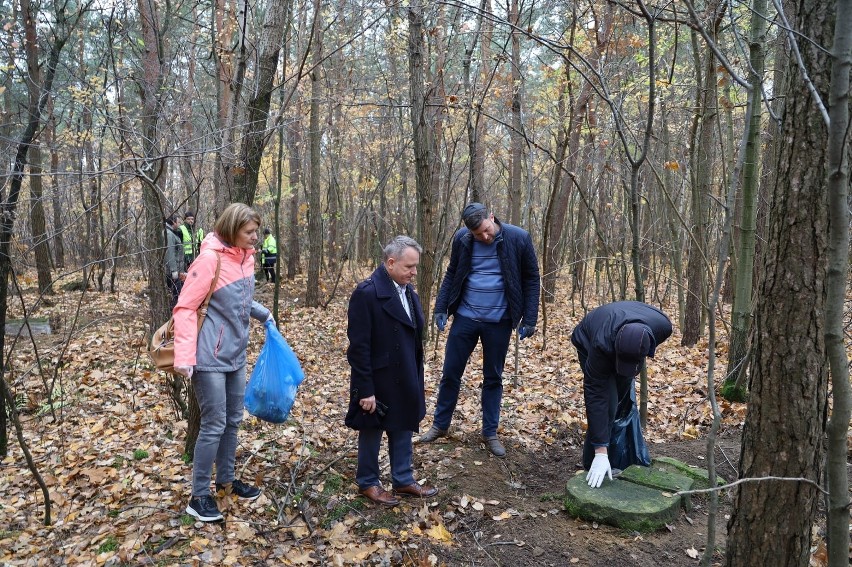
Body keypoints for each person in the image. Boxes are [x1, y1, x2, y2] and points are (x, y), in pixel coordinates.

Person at [173, 203, 274, 522]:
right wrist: (185, 356)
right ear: (232, 231)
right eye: (249, 232)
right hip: (208, 357)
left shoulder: (246, 259)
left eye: (256, 231)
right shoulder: (209, 259)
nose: (256, 237)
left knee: (233, 420)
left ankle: (226, 481)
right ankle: (198, 496)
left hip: (235, 354)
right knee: (214, 424)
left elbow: (239, 299)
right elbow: (185, 308)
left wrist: (263, 313)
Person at [419, 202, 541, 458]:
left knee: (493, 377)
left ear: (492, 217)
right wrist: (442, 307)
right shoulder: (463, 240)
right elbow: (452, 273)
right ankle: (440, 425)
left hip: (499, 320)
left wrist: (529, 318)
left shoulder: (518, 238)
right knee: (450, 373)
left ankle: (490, 432)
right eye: (478, 234)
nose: (484, 237)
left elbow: (531, 278)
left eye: (486, 230)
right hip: (465, 317)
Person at [345, 235, 438, 507]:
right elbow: (358, 347)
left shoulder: (408, 291)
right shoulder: (367, 293)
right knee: (372, 429)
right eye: (409, 267)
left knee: (403, 425)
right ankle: (368, 483)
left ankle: (403, 478)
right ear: (391, 262)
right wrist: (365, 389)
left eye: (416, 266)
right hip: (378, 376)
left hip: (405, 372)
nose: (414, 272)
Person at [570, 301, 673, 488]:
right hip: (588, 339)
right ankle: (594, 460)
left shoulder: (663, 327)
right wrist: (600, 453)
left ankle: (619, 455)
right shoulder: (600, 345)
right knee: (609, 403)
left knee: (623, 398)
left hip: (625, 333)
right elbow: (596, 395)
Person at [164, 214, 185, 310]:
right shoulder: (168, 234)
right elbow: (170, 252)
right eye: (178, 222)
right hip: (172, 272)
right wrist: (174, 271)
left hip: (176, 270)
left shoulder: (172, 233)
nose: (180, 224)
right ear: (173, 222)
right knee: (176, 295)